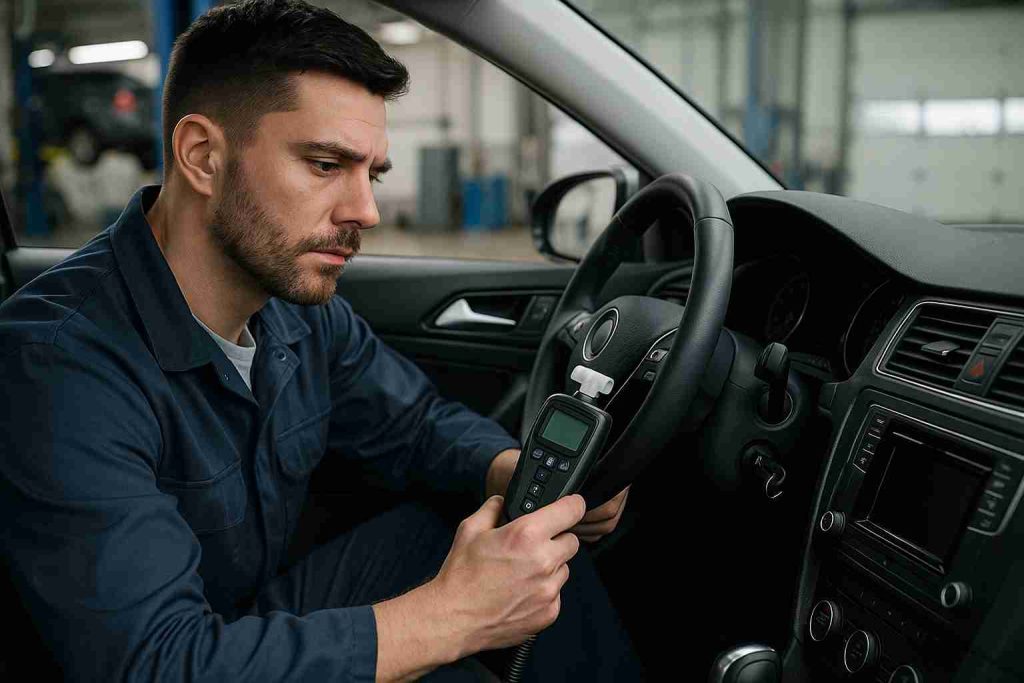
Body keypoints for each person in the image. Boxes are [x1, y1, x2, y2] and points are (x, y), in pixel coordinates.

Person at [0, 1, 640, 680]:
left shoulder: (295, 309)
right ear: (202, 156)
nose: (364, 210)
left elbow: (416, 425)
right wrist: (451, 615)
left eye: (374, 173)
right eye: (326, 164)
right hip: (174, 653)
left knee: (527, 551)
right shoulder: (56, 366)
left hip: (247, 614)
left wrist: (516, 473)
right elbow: (161, 663)